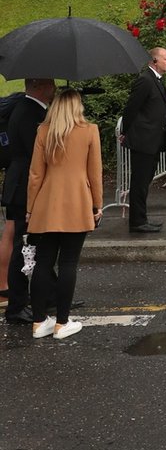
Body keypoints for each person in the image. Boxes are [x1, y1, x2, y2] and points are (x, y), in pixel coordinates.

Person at [26, 88, 102, 341]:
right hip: (78, 201)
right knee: (69, 263)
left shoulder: (44, 131)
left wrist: (29, 208)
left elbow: (35, 174)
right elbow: (95, 173)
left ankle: (38, 322)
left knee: (43, 263)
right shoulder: (89, 130)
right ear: (77, 106)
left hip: (47, 202)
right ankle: (62, 322)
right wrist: (97, 204)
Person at [2, 79, 56, 326]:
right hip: (24, 187)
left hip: (21, 183)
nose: (54, 86)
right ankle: (16, 306)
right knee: (24, 248)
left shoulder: (30, 108)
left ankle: (48, 294)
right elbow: (37, 152)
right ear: (41, 85)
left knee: (36, 243)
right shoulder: (30, 112)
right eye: (50, 82)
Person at [119, 46, 166, 234]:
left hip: (153, 140)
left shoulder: (156, 80)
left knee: (144, 181)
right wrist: (125, 131)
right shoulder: (145, 80)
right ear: (154, 61)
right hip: (144, 140)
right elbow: (131, 108)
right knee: (139, 182)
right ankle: (137, 221)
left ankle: (142, 218)